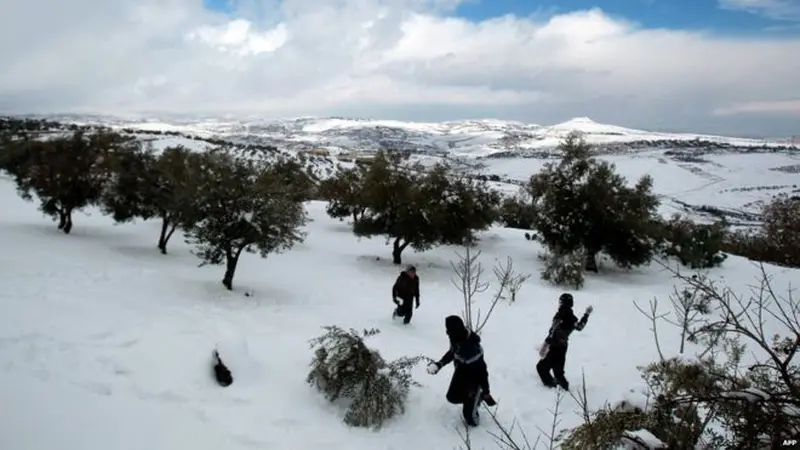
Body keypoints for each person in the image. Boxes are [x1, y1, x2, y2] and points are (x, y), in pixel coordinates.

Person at [427, 315, 497, 427]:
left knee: (471, 420)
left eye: (449, 331)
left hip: (474, 378)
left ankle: (475, 397)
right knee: (452, 397)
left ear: (456, 330)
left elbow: (482, 372)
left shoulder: (472, 348)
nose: (447, 333)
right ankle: (470, 399)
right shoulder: (456, 338)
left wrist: (486, 391)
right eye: (447, 330)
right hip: (461, 371)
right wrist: (439, 364)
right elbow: (453, 352)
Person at [536, 293, 593, 390]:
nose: (560, 304)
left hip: (556, 347)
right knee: (556, 371)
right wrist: (586, 315)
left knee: (542, 368)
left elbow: (553, 331)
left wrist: (546, 344)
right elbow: (579, 326)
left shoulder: (562, 315)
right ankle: (560, 387)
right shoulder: (570, 317)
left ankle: (556, 387)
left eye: (561, 302)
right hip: (561, 347)